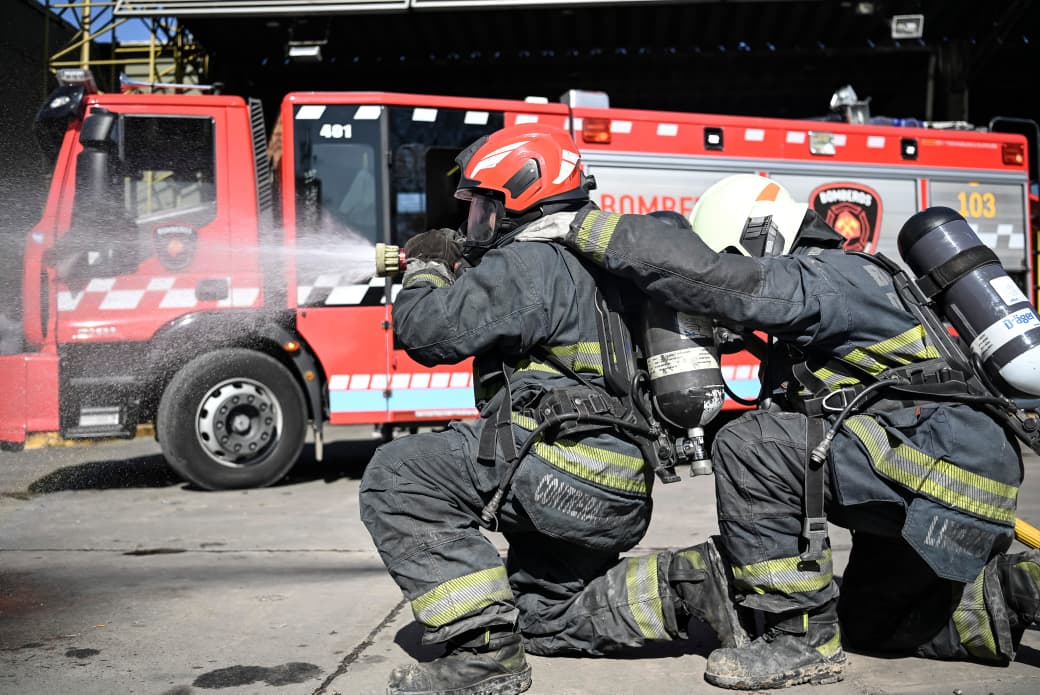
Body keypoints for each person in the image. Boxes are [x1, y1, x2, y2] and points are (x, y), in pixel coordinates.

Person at [516, 173, 1040, 690]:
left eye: (736, 257)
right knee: (875, 624)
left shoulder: (825, 275)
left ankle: (799, 637)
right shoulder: (836, 296)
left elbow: (721, 282)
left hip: (942, 467)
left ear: (757, 237)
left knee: (752, 445)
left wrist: (591, 229)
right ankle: (1022, 590)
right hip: (950, 469)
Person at [358, 125, 748, 695]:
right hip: (616, 488)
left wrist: (425, 267)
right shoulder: (600, 262)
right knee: (543, 614)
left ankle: (484, 658)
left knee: (398, 477)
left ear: (515, 200)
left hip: (563, 470)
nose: (473, 224)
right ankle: (685, 585)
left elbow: (425, 333)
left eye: (481, 207)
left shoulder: (531, 262)